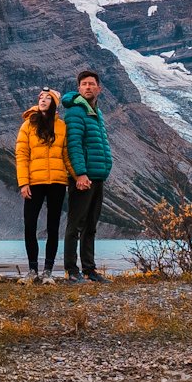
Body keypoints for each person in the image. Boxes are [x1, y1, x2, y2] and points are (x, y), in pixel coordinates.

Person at [59, 69, 113, 282]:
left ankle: (90, 270)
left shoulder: (96, 112)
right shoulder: (75, 111)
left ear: (99, 89)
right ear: (79, 88)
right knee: (75, 224)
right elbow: (74, 145)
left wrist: (105, 167)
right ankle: (72, 271)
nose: (88, 87)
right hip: (83, 177)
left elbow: (100, 142)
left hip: (97, 176)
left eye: (91, 84)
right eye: (84, 84)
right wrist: (80, 174)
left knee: (90, 225)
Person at [15, 88, 73, 281]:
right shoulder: (28, 125)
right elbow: (22, 156)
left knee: (53, 226)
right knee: (30, 224)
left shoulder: (62, 126)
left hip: (57, 182)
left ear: (55, 103)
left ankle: (48, 270)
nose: (43, 100)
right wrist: (24, 183)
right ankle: (33, 270)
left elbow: (66, 155)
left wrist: (77, 176)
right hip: (34, 182)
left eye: (48, 98)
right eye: (41, 97)